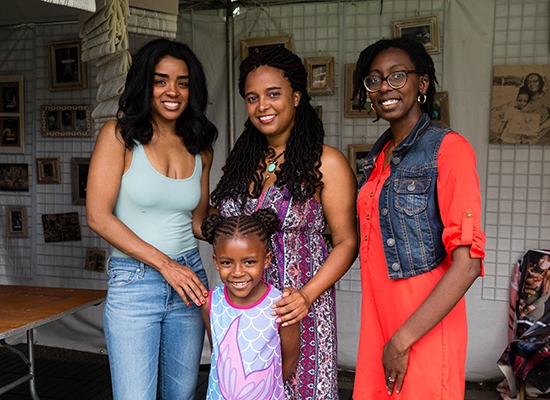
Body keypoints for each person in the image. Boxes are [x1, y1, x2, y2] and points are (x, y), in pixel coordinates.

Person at [210, 46, 358, 399]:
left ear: (296, 95)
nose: (263, 106)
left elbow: (347, 242)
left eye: (273, 94)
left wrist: (306, 296)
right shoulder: (242, 162)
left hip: (299, 308)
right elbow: (219, 221)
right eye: (252, 97)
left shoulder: (327, 163)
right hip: (246, 309)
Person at [351, 37, 485, 399]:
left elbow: (467, 265)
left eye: (397, 76)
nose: (384, 88)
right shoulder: (377, 156)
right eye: (374, 79)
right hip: (378, 319)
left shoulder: (450, 149)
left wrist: (403, 339)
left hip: (422, 327)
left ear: (421, 84)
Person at [86, 38, 218, 400]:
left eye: (183, 82)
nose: (172, 91)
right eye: (161, 80)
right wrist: (164, 265)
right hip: (135, 280)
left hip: (189, 276)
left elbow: (197, 220)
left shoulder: (199, 144)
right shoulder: (119, 137)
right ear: (145, 84)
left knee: (182, 394)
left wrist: (237, 232)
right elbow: (98, 217)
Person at [200, 209, 300, 400]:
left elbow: (290, 360)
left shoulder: (282, 305)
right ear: (216, 262)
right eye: (227, 262)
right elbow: (218, 354)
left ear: (266, 260)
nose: (238, 272)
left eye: (249, 262)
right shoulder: (210, 302)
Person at [518, 72, 550, 145]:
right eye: (529, 82)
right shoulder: (527, 96)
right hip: (525, 134)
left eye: (535, 81)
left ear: (541, 82)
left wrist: (542, 126)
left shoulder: (547, 96)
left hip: (541, 136)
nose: (531, 84)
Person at [518, 254, 550, 323]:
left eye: (548, 260)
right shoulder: (528, 270)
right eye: (542, 258)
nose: (544, 262)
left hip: (534, 311)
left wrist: (525, 311)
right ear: (538, 258)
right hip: (520, 306)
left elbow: (544, 298)